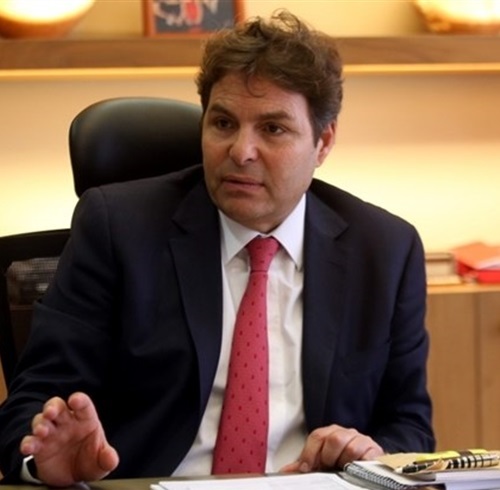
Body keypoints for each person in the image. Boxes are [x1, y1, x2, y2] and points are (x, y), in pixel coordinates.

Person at [0, 9, 434, 487]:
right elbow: (33, 400)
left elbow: (409, 424)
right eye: (223, 123)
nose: (240, 151)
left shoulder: (384, 250)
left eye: (273, 129)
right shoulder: (118, 229)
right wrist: (45, 459)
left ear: (323, 141)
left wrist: (371, 454)